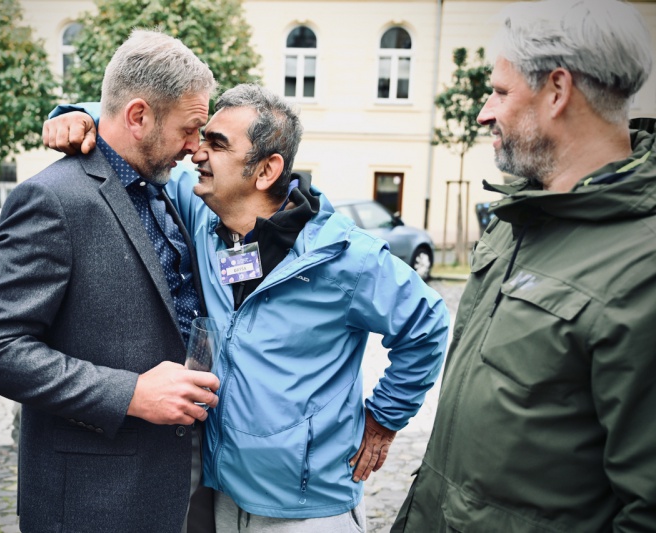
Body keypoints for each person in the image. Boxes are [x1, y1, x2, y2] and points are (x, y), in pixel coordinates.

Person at [43, 84, 450, 531]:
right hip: (226, 495)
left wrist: (384, 418)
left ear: (266, 170)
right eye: (203, 138)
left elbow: (427, 325)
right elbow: (136, 125)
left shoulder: (345, 257)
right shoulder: (202, 214)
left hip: (309, 509)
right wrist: (80, 114)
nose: (197, 152)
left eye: (217, 144)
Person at [391, 0, 656, 531]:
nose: (484, 113)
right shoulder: (516, 218)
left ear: (557, 90)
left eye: (500, 91)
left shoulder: (641, 267)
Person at [0, 30, 220, 533]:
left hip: (173, 486)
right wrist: (131, 394)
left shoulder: (164, 188)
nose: (195, 148)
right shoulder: (52, 199)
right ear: (139, 117)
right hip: (92, 503)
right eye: (190, 129)